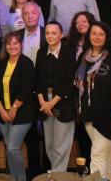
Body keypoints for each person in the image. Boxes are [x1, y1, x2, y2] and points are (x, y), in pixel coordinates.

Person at [75, 22, 111, 181]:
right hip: (88, 114)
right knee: (104, 155)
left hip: (108, 117)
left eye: (101, 34)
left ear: (107, 37)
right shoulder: (83, 57)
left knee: (97, 155)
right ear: (89, 36)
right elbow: (78, 85)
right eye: (93, 33)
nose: (97, 37)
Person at [0, 32, 36, 181]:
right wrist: (1, 110)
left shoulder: (27, 63)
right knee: (10, 149)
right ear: (5, 46)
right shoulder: (1, 64)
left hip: (22, 113)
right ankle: (14, 178)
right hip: (3, 114)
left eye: (15, 43)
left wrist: (13, 108)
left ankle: (21, 178)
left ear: (21, 45)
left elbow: (26, 89)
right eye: (9, 43)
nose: (12, 46)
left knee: (12, 147)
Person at [35, 21, 76, 172]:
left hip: (62, 104)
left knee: (60, 147)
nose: (50, 36)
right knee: (50, 146)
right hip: (45, 105)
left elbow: (68, 83)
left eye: (54, 33)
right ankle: (57, 173)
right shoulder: (41, 52)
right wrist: (43, 102)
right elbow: (38, 80)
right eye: (47, 33)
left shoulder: (68, 53)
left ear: (61, 35)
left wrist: (51, 103)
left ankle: (57, 176)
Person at [16, 2, 47, 179]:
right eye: (26, 13)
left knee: (48, 134)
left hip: (45, 90)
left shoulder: (47, 33)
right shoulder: (17, 36)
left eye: (33, 13)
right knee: (31, 134)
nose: (29, 16)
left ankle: (48, 170)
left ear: (39, 14)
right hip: (25, 91)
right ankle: (34, 169)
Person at [64, 11, 96, 166]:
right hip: (73, 95)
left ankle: (94, 168)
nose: (80, 24)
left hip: (91, 94)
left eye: (84, 21)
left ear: (91, 23)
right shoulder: (69, 44)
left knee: (92, 133)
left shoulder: (96, 43)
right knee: (82, 132)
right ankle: (85, 168)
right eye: (77, 22)